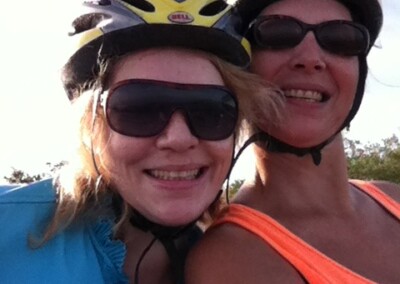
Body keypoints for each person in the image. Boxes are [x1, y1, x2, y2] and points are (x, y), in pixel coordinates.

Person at [0, 0, 282, 283]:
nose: (179, 138)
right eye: (140, 108)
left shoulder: (240, 268)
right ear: (93, 124)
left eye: (211, 111)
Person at [185, 0, 400, 283]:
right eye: (278, 34)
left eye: (341, 38)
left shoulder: (393, 197)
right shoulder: (233, 258)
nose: (311, 58)